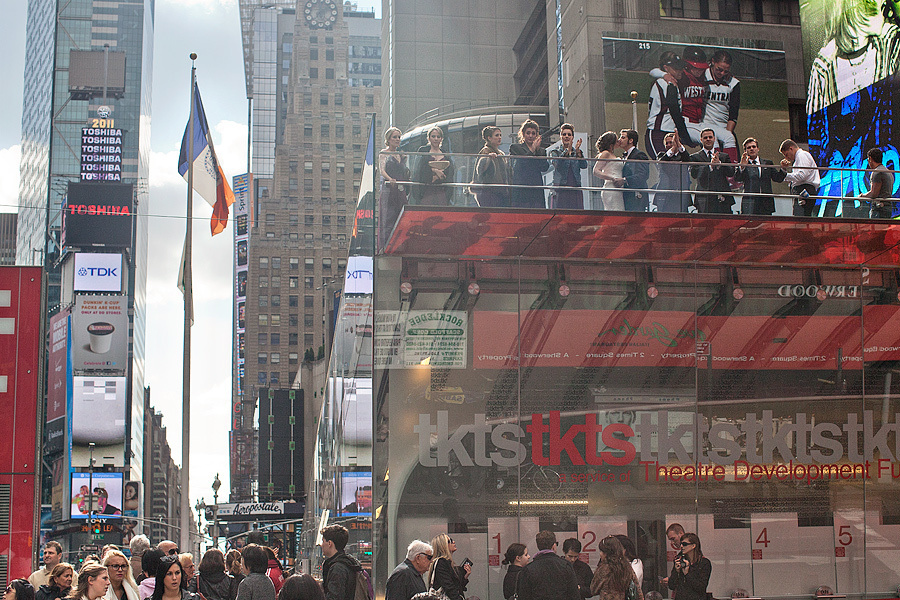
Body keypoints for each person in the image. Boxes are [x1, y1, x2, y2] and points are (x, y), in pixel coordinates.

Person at [807, 0, 900, 114]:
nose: (888, 15)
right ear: (859, 10)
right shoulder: (823, 68)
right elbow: (814, 125)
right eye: (883, 8)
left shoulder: (889, 43)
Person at [645, 52, 692, 158]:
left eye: (681, 68)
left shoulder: (672, 82)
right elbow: (674, 110)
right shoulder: (665, 84)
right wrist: (685, 136)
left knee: (672, 169)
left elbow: (653, 71)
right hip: (657, 133)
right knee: (664, 166)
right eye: (676, 68)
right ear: (666, 68)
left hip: (669, 132)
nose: (680, 71)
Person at [700, 50, 740, 163]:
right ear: (713, 62)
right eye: (719, 69)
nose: (722, 73)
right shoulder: (702, 77)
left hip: (724, 128)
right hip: (706, 127)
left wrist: (727, 133)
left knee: (733, 163)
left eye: (726, 71)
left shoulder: (733, 83)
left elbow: (733, 113)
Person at [516, 531, 580, 600]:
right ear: (553, 546)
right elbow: (574, 595)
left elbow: (524, 596)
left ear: (538, 546)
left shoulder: (528, 569)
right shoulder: (566, 566)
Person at [690, 129, 735, 214]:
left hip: (722, 197)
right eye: (705, 137)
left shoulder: (723, 156)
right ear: (701, 140)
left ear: (714, 139)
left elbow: (730, 173)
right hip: (704, 198)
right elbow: (694, 174)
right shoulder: (695, 157)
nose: (708, 139)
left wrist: (719, 164)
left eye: (710, 137)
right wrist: (710, 166)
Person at [735, 137, 784, 215]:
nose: (752, 149)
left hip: (765, 202)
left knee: (766, 226)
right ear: (745, 151)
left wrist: (783, 169)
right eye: (749, 147)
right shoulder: (743, 163)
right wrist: (742, 166)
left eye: (754, 147)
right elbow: (737, 178)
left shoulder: (767, 163)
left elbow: (777, 178)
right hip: (750, 202)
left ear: (758, 149)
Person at [378, 127, 409, 249]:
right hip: (389, 189)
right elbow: (382, 170)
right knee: (388, 217)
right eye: (394, 137)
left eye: (398, 137)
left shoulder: (401, 155)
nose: (397, 139)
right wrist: (389, 179)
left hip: (400, 189)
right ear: (389, 139)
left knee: (402, 214)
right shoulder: (384, 153)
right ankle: (386, 244)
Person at [509, 120, 549, 209]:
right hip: (521, 188)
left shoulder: (542, 150)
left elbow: (544, 167)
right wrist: (532, 150)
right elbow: (523, 163)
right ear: (523, 134)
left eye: (533, 133)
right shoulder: (515, 148)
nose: (530, 136)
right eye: (528, 133)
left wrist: (538, 151)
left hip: (536, 188)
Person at [776, 139, 820, 217]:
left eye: (786, 154)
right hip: (802, 189)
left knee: (801, 218)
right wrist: (785, 171)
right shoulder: (799, 158)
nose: (787, 158)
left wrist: (785, 175)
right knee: (799, 217)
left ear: (791, 149)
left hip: (804, 189)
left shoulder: (802, 155)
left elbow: (801, 176)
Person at [413, 127, 455, 206]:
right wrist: (435, 171)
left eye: (438, 137)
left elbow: (450, 171)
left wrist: (440, 176)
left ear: (441, 138)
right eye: (433, 136)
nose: (436, 139)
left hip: (441, 190)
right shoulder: (423, 151)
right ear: (428, 138)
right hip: (426, 189)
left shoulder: (445, 153)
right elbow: (419, 169)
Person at [549, 124, 588, 209]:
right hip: (560, 187)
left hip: (575, 187)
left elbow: (584, 165)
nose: (566, 136)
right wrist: (566, 152)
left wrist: (578, 153)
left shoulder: (576, 152)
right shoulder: (555, 152)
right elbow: (556, 164)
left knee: (576, 215)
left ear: (572, 137)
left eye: (569, 134)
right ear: (560, 137)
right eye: (564, 134)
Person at [655, 131, 693, 213]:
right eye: (667, 143)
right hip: (665, 194)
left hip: (681, 194)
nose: (668, 145)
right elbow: (661, 163)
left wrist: (678, 145)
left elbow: (687, 160)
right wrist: (673, 148)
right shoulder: (662, 155)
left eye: (671, 142)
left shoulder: (683, 156)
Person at [321, 526, 362, 600]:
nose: (321, 545)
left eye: (323, 541)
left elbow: (334, 597)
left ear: (330, 543)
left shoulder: (338, 568)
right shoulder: (348, 562)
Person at [473, 126, 510, 208]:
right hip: (488, 191)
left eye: (500, 135)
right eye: (496, 135)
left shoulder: (501, 153)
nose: (499, 137)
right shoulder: (485, 151)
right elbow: (480, 169)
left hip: (500, 191)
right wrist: (488, 158)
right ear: (489, 138)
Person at [667, 534, 711, 600]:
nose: (681, 546)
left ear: (693, 546)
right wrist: (676, 571)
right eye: (681, 544)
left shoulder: (704, 563)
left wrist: (687, 574)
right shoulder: (680, 561)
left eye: (685, 544)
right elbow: (671, 585)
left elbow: (701, 587)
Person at [426, 534, 469, 600]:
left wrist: (465, 577)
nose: (453, 542)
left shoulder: (447, 563)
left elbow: (455, 587)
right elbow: (449, 588)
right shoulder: (441, 562)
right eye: (450, 541)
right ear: (443, 545)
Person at [592, 132, 625, 211]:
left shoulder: (611, 154)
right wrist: (612, 178)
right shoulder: (605, 153)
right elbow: (596, 170)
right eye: (617, 141)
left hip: (617, 188)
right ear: (611, 144)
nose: (619, 142)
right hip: (611, 187)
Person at [858, 147, 895, 218]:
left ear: (870, 159)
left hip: (879, 209)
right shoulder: (888, 172)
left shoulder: (877, 172)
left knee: (875, 229)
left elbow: (874, 193)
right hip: (887, 208)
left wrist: (862, 196)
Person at [619, 129, 651, 212]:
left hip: (636, 197)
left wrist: (625, 180)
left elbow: (643, 175)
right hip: (627, 196)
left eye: (623, 137)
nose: (620, 140)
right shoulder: (625, 155)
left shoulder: (639, 155)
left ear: (631, 140)